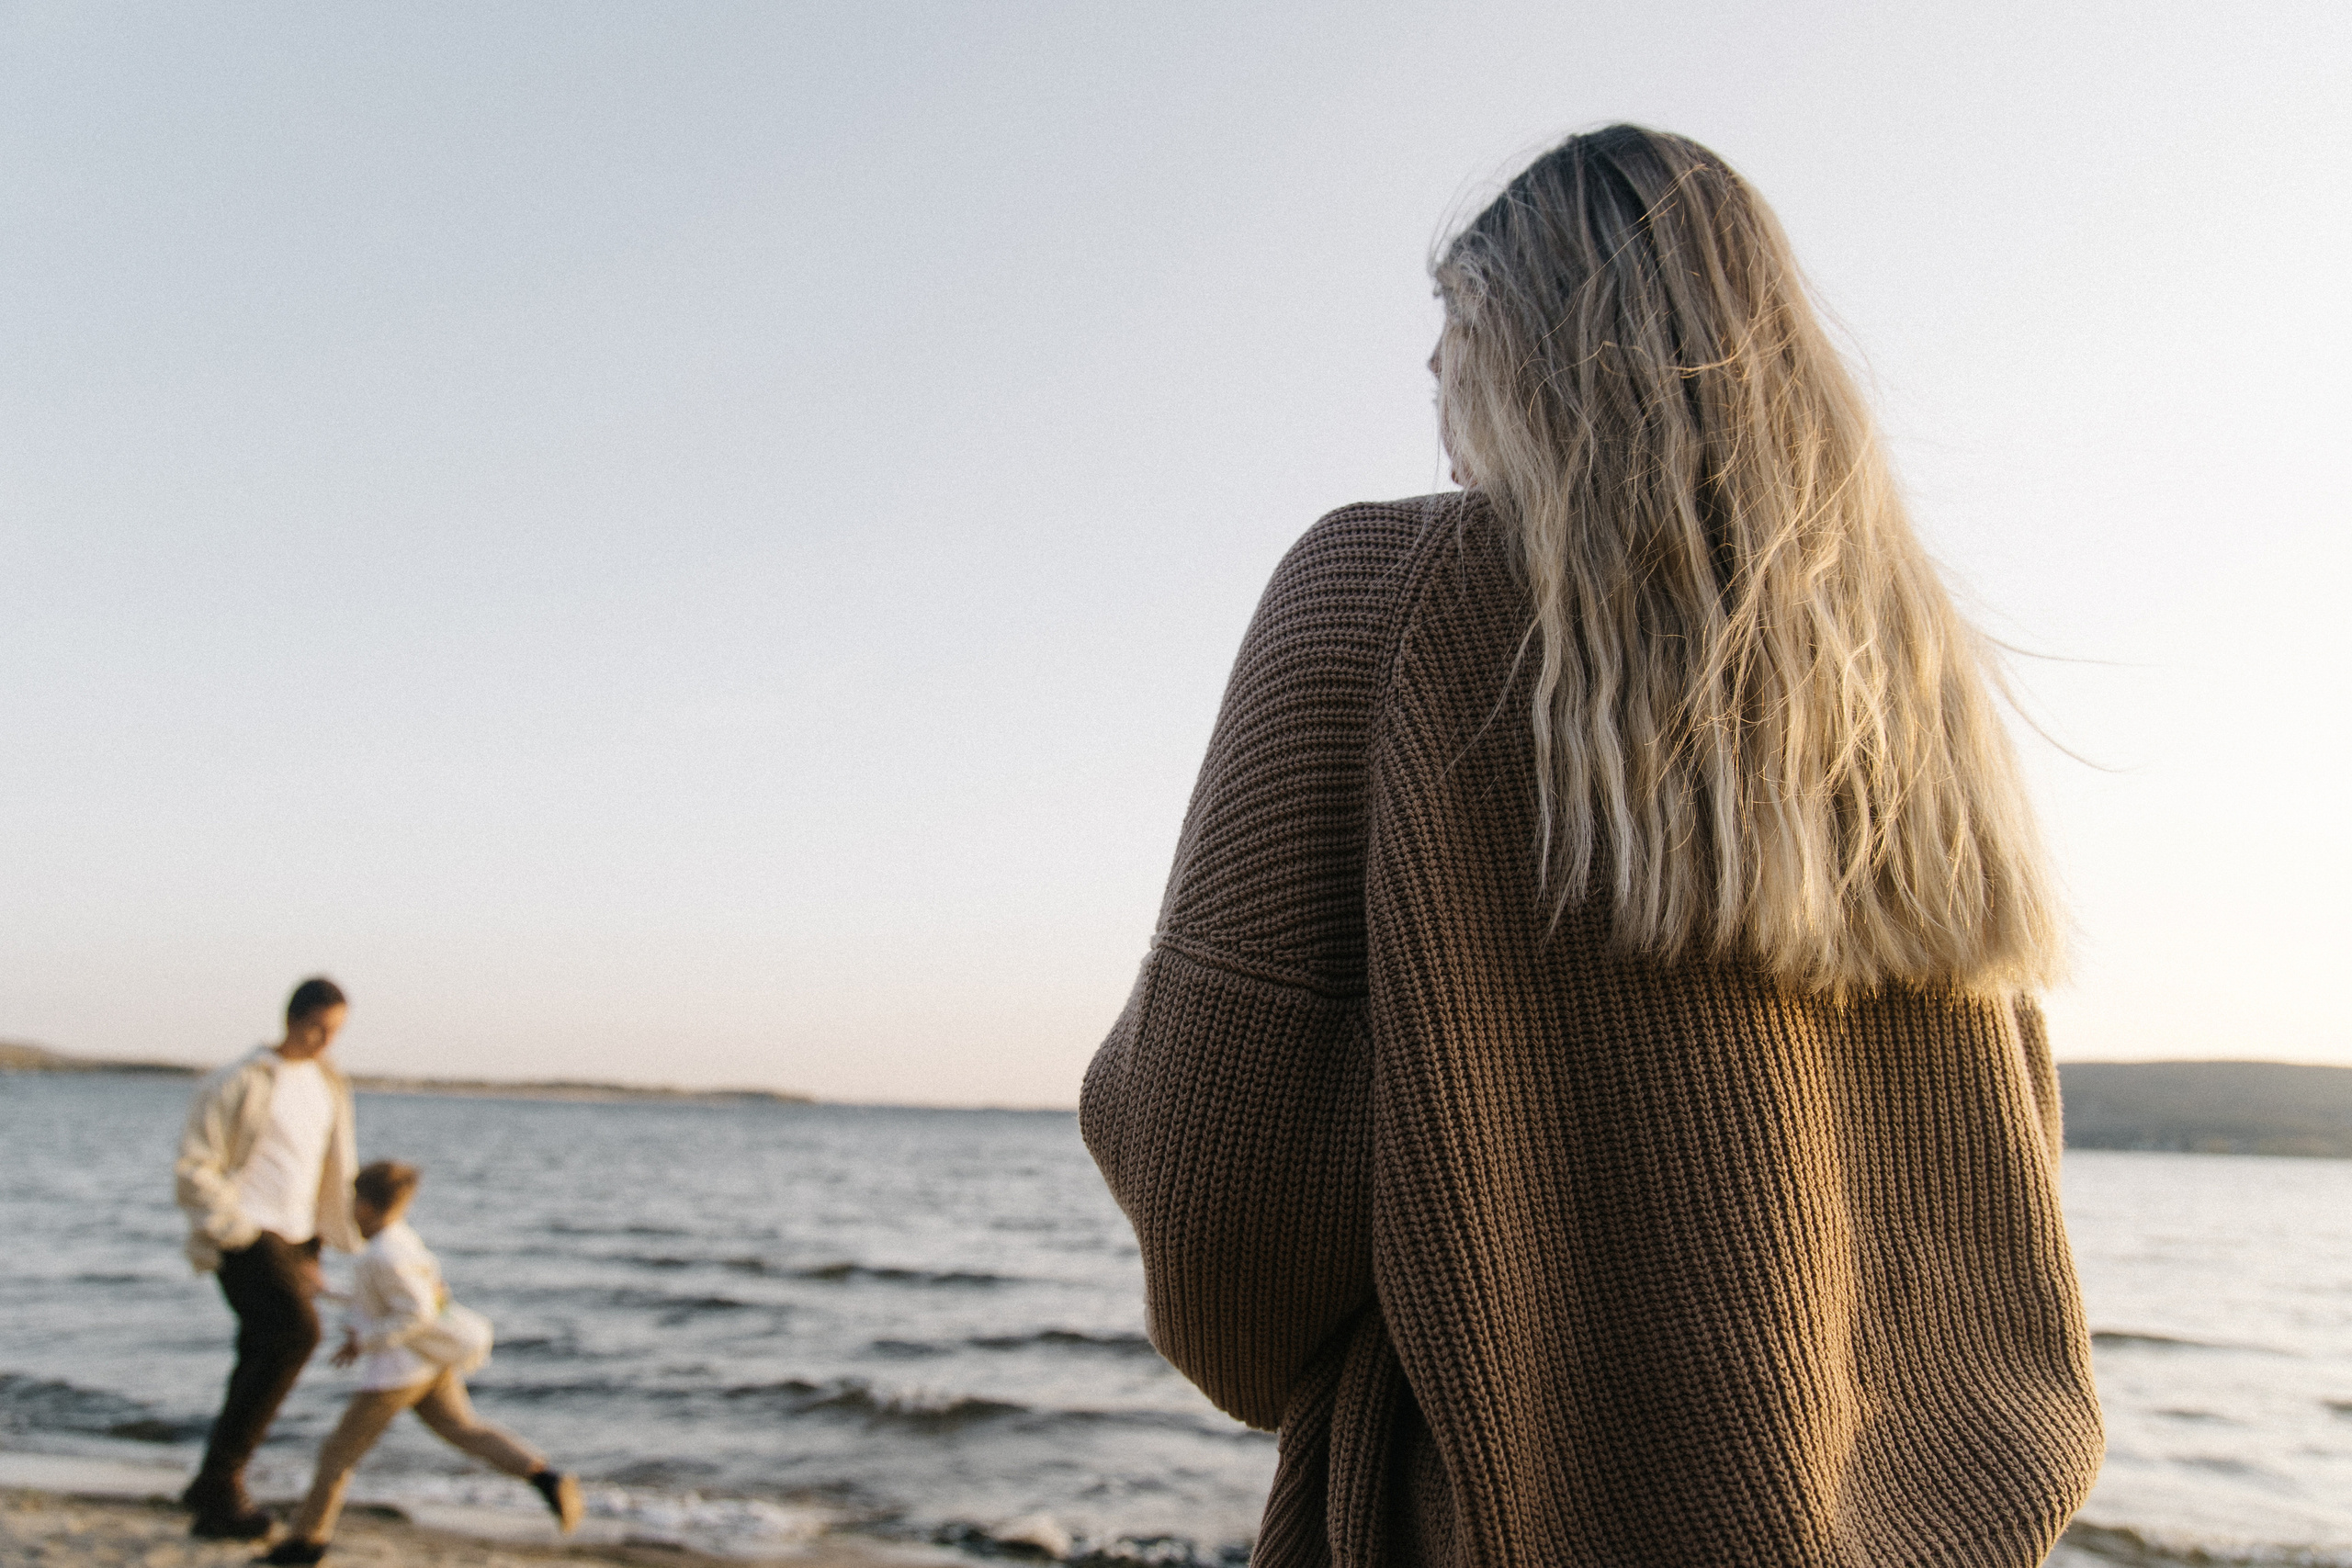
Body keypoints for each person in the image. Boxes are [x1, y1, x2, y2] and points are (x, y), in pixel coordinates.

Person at [1080, 125, 2103, 1567]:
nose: (1444, 430)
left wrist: (1134, 1085)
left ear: (1512, 359)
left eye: (1451, 372)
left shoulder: (1381, 603)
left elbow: (1223, 1237)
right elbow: (1997, 1208)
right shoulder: (1914, 700)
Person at [260, 1159, 582, 1564]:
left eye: (352, 1200)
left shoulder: (381, 1254)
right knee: (465, 1429)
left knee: (337, 1455)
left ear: (365, 1206)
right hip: (429, 1363)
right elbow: (385, 1300)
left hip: (397, 1373)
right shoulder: (399, 1241)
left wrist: (364, 1342)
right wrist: (327, 1293)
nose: (348, 1209)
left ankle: (306, 1543)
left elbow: (416, 1312)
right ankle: (545, 1477)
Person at [174, 977, 362, 1540]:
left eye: (336, 1032)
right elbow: (195, 1166)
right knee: (297, 1335)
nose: (327, 1041)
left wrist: (319, 1244)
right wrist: (235, 1229)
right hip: (247, 1235)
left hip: (298, 1239)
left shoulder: (328, 1084)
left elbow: (324, 1172)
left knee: (260, 1351)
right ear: (293, 1019)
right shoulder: (241, 1080)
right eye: (319, 1028)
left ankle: (216, 1493)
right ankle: (219, 1480)